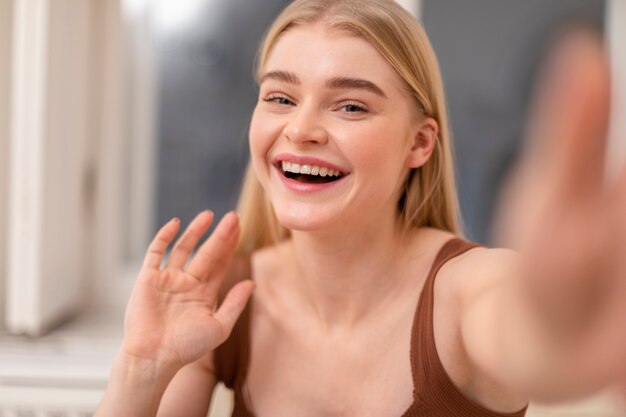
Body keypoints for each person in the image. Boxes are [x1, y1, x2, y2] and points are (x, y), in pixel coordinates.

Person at [95, 0, 626, 416]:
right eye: (280, 98)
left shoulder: (469, 292)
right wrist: (141, 367)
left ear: (419, 145)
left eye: (351, 105)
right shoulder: (222, 301)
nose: (300, 129)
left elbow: (534, 341)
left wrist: (562, 324)